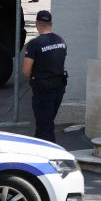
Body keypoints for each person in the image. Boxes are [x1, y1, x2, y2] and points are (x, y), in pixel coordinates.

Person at [22, 10, 67, 143]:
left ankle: (51, 156)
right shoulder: (60, 40)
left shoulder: (34, 44)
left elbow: (26, 70)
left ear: (37, 24)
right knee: (47, 122)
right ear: (51, 24)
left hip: (43, 90)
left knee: (44, 126)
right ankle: (39, 148)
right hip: (59, 87)